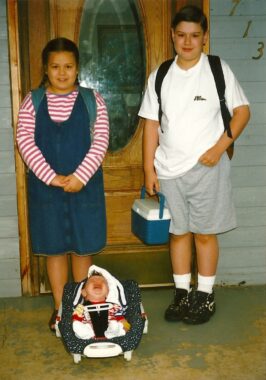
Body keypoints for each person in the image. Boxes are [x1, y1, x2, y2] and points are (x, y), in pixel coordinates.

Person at [138, 5, 250, 324]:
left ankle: (205, 295)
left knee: (204, 233)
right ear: (173, 36)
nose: (188, 42)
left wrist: (219, 147)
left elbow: (242, 112)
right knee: (179, 234)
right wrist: (149, 169)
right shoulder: (160, 75)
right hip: (168, 171)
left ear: (204, 38)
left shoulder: (217, 70)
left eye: (195, 36)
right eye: (182, 35)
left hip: (207, 168)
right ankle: (182, 293)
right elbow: (149, 124)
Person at [17, 38, 109, 332]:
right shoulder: (32, 102)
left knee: (82, 248)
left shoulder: (92, 100)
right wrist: (51, 177)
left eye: (68, 66)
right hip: (48, 191)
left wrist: (81, 176)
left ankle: (82, 308)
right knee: (54, 249)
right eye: (55, 67)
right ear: (45, 68)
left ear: (77, 68)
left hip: (85, 188)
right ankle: (61, 310)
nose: (62, 72)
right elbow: (25, 141)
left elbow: (101, 141)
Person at [72, 265, 131, 339]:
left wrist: (125, 328)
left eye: (103, 282)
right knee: (77, 326)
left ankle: (112, 332)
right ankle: (87, 334)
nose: (97, 282)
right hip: (89, 332)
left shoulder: (113, 307)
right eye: (92, 281)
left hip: (111, 332)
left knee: (115, 325)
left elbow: (122, 320)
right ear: (84, 292)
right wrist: (76, 324)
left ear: (108, 292)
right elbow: (75, 320)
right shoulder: (81, 307)